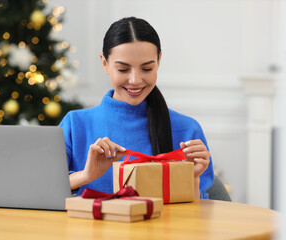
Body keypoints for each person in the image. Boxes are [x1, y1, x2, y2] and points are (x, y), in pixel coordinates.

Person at [59, 17, 214, 199]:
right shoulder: (74, 124)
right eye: (123, 70)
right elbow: (44, 190)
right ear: (104, 63)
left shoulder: (188, 130)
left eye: (147, 69)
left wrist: (192, 178)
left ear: (159, 61)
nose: (135, 80)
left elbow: (196, 218)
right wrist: (86, 176)